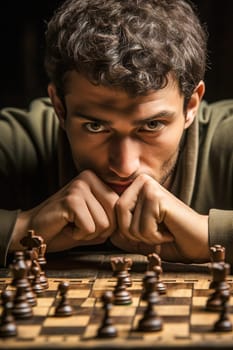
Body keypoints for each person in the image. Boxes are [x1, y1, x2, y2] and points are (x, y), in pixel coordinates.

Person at [1, 0, 233, 268]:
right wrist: (22, 228)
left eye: (152, 126)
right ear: (59, 107)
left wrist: (211, 235)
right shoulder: (21, 142)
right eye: (95, 127)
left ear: (191, 105)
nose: (124, 166)